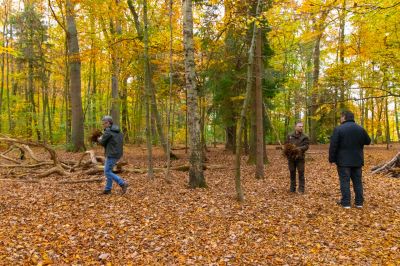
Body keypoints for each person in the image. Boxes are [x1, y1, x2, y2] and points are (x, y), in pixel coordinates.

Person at [329, 111, 371, 209]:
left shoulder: (339, 129)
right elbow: (368, 141)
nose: (340, 119)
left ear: (344, 117)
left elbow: (333, 145)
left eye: (341, 117)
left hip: (343, 161)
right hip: (357, 160)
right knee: (357, 181)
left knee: (344, 181)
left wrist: (331, 159)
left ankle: (346, 203)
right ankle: (359, 202)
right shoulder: (360, 129)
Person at [98, 115, 128, 195]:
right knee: (109, 171)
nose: (103, 125)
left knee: (107, 171)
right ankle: (108, 189)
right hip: (117, 153)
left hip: (112, 154)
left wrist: (99, 139)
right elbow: (113, 142)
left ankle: (122, 183)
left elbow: (102, 142)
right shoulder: (118, 131)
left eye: (104, 123)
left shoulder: (108, 131)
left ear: (108, 123)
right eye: (103, 123)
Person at [285, 122, 310, 193]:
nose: (301, 128)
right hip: (291, 158)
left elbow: (306, 146)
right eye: (299, 126)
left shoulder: (305, 137)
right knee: (292, 172)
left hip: (300, 158)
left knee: (301, 172)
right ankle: (292, 188)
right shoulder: (290, 135)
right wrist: (287, 150)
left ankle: (301, 189)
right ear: (295, 127)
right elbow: (286, 144)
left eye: (302, 126)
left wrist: (299, 149)